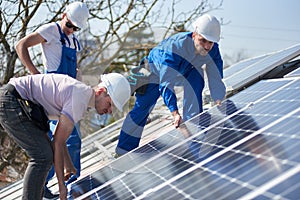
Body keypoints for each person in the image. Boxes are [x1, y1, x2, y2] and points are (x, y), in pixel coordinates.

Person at [0, 73, 131, 200]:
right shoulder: (79, 99)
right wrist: (61, 186)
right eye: (109, 104)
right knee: (43, 157)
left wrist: (68, 165)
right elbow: (58, 142)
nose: (109, 111)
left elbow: (58, 140)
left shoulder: (81, 96)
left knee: (46, 153)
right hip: (12, 102)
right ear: (101, 91)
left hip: (18, 103)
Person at [115, 14, 226, 156]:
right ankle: (123, 151)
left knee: (197, 78)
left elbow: (215, 75)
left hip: (185, 70)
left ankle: (194, 126)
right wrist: (175, 113)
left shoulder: (213, 50)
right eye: (202, 40)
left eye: (210, 42)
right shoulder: (174, 49)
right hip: (154, 72)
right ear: (194, 35)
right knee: (142, 108)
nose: (206, 46)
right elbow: (166, 83)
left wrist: (218, 98)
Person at [15, 2, 89, 198]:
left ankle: (72, 181)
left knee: (71, 141)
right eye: (70, 26)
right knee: (62, 140)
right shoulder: (51, 30)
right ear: (64, 16)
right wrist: (35, 73)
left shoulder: (73, 40)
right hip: (53, 93)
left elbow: (74, 69)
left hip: (70, 94)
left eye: (76, 28)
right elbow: (20, 45)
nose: (72, 30)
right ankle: (45, 186)